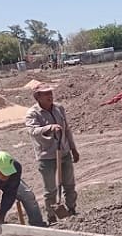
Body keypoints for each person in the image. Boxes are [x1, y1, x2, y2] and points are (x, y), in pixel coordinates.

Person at [25, 83, 80, 222]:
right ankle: (51, 216)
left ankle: (71, 210)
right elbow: (33, 131)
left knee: (69, 185)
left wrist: (73, 149)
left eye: (51, 93)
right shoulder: (33, 113)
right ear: (38, 97)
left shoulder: (59, 108)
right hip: (46, 157)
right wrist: (49, 128)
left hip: (64, 152)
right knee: (50, 190)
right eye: (46, 93)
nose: (50, 96)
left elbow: (67, 130)